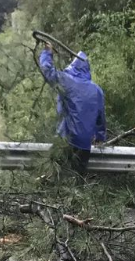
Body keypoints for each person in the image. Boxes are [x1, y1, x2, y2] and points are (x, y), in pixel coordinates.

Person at [38, 42, 106, 175]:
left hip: (66, 140)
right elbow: (100, 118)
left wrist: (47, 52)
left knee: (60, 178)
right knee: (78, 179)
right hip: (84, 145)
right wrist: (99, 137)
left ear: (73, 66)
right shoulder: (97, 90)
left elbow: (47, 70)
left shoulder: (66, 81)